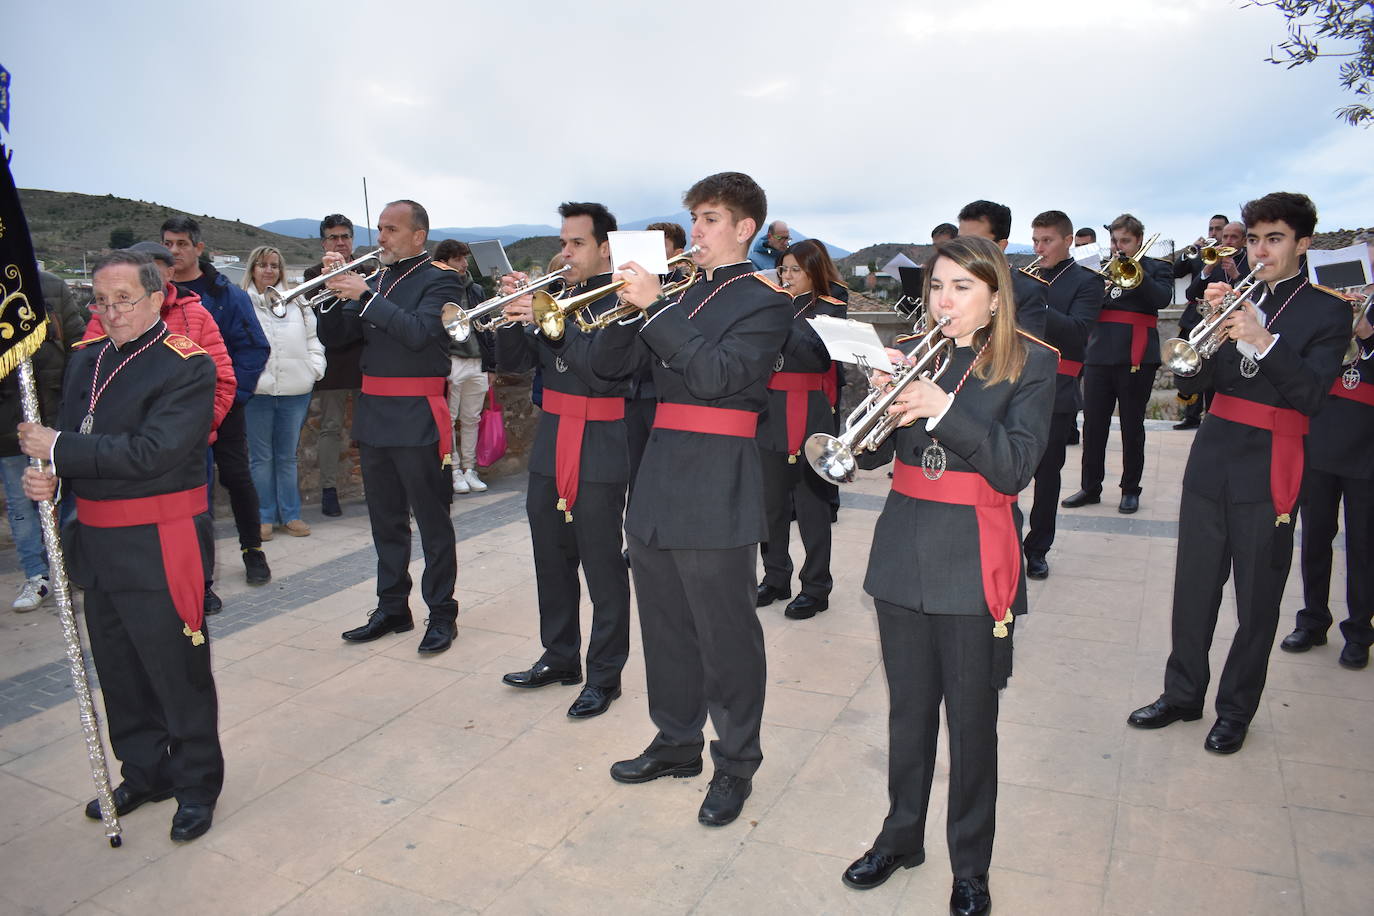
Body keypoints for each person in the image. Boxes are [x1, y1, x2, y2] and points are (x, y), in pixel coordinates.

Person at [840, 236, 1055, 916]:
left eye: (963, 287)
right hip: (902, 547)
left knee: (970, 723)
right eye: (937, 286)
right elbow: (870, 459)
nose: (945, 300)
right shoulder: (916, 350)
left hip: (972, 555)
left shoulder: (1032, 362)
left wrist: (939, 407)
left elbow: (1014, 468)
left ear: (995, 295)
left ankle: (971, 867)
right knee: (907, 714)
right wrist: (875, 399)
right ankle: (901, 836)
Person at [591, 171, 791, 828]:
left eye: (709, 220)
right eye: (694, 219)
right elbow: (612, 370)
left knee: (726, 634)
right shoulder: (679, 294)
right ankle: (676, 742)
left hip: (719, 479)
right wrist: (624, 306)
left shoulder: (765, 302)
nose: (696, 232)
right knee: (667, 625)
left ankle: (736, 762)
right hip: (659, 476)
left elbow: (715, 376)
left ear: (744, 229)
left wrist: (655, 308)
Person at [1128, 192, 1350, 755]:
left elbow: (1310, 395)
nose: (1259, 250)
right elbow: (1190, 385)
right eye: (1252, 239)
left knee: (1257, 596)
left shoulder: (1326, 311)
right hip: (1215, 450)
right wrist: (1206, 324)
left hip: (1272, 459)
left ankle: (1236, 710)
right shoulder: (1230, 298)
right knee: (1193, 586)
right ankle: (1181, 694)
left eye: (1273, 239)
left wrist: (1261, 339)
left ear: (1301, 243)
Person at [19, 249, 223, 842]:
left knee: (175, 671)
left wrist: (59, 449)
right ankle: (145, 770)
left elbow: (151, 452)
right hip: (98, 543)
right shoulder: (85, 360)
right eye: (100, 302)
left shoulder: (187, 365)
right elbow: (79, 440)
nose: (110, 313)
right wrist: (55, 477)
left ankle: (195, 783)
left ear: (157, 299)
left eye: (124, 300)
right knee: (120, 670)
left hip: (161, 542)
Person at [494, 201, 632, 720]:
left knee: (601, 566)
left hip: (599, 441)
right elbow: (509, 365)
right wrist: (513, 318)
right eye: (563, 241)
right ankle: (559, 657)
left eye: (576, 243)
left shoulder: (623, 302)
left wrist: (550, 322)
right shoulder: (556, 296)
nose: (565, 252)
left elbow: (601, 370)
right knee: (550, 559)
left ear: (604, 248)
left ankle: (604, 675)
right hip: (551, 440)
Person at [318, 199, 463, 655]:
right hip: (375, 412)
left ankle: (442, 613)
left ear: (417, 236)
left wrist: (364, 296)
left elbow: (420, 334)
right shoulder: (375, 279)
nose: (379, 238)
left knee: (433, 521)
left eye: (390, 230)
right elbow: (337, 340)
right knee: (385, 520)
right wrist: (330, 289)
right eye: (379, 228)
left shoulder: (440, 279)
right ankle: (392, 607)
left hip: (418, 414)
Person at [161, 216, 272, 605]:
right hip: (176, 414)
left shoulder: (225, 293)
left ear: (198, 248)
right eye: (168, 244)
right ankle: (200, 578)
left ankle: (252, 550)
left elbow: (254, 347)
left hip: (224, 406)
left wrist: (234, 395)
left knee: (239, 479)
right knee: (195, 492)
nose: (174, 251)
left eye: (181, 244)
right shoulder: (155, 294)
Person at [1279, 287, 1374, 669]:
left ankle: (1359, 632)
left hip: (1367, 442)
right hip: (1321, 431)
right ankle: (1314, 620)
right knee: (1316, 535)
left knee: (1364, 545)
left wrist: (1367, 334)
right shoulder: (1327, 303)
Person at [756, 239, 846, 619]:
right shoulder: (775, 304)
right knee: (770, 505)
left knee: (813, 505)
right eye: (783, 269)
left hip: (811, 410)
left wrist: (783, 317)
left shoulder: (832, 308)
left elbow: (817, 357)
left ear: (814, 271)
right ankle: (776, 577)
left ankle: (816, 586)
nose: (787, 276)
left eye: (795, 269)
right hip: (769, 411)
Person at [1061, 213, 1172, 514]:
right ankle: (1090, 487)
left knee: (1131, 426)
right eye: (1114, 241)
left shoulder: (1157, 267)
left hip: (1136, 354)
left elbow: (1162, 299)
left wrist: (1137, 274)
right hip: (1098, 354)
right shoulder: (1097, 271)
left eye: (1125, 241)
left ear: (1138, 240)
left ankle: (1130, 489)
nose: (1118, 247)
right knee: (1093, 426)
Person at [1021, 211, 1102, 580]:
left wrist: (1036, 304)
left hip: (1057, 386)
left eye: (1047, 240)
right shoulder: (1026, 278)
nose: (1040, 248)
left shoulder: (1087, 282)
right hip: (1015, 382)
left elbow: (1077, 333)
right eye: (1036, 240)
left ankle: (1038, 548)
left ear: (1068, 240)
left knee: (1047, 473)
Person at [241, 245, 326, 540]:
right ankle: (264, 516)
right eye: (263, 265)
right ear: (253, 268)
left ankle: (290, 515)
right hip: (257, 393)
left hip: (295, 391)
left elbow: (314, 339)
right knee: (260, 458)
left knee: (288, 457)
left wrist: (314, 368)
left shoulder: (298, 302)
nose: (269, 270)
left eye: (274, 265)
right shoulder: (242, 303)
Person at [1, 282, 69, 611]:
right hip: (6, 423)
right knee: (19, 503)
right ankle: (36, 575)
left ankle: (71, 564)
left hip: (55, 415)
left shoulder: (52, 287)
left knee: (65, 495)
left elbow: (78, 348)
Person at [625, 222, 688, 501]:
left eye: (659, 248)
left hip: (665, 392)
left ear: (678, 253)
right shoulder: (629, 286)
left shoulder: (685, 288)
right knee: (634, 470)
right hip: (633, 390)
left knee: (667, 469)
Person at [307, 214, 365, 517]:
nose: (340, 242)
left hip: (366, 364)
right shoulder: (313, 274)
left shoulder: (367, 270)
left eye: (345, 236)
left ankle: (374, 486)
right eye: (333, 237)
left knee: (369, 429)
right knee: (330, 429)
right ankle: (329, 490)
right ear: (324, 242)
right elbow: (318, 318)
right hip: (332, 366)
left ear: (352, 240)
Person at [433, 239, 493, 495]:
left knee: (472, 418)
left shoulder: (476, 289)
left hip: (476, 360)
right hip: (452, 361)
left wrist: (491, 365)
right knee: (450, 419)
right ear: (444, 262)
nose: (464, 264)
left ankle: (470, 468)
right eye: (458, 259)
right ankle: (454, 469)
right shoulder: (437, 289)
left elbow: (487, 327)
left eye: (464, 259)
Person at [1176, 221, 1249, 430]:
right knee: (1199, 374)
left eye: (1233, 237)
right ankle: (1198, 418)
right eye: (1225, 236)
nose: (1227, 241)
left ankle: (1220, 421)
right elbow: (1191, 294)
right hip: (1206, 328)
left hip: (1232, 331)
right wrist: (1208, 268)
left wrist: (1236, 275)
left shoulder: (1248, 262)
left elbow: (1253, 294)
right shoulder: (1210, 258)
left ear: (1244, 240)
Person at [957, 200, 1049, 338]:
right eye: (960, 241)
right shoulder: (949, 281)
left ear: (1000, 246)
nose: (963, 249)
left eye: (975, 242)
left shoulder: (1028, 290)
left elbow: (1030, 351)